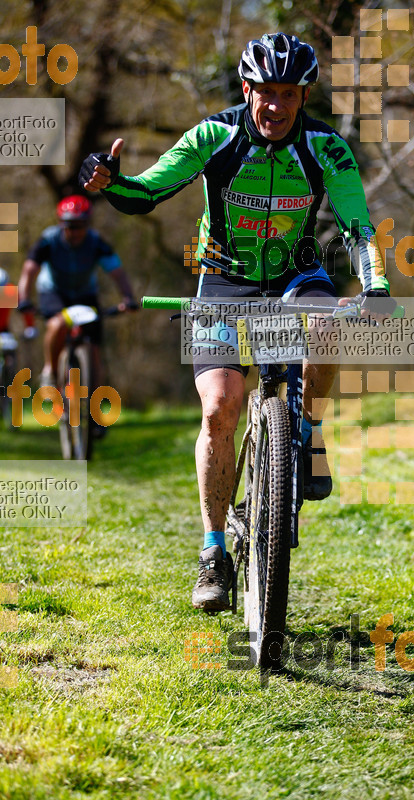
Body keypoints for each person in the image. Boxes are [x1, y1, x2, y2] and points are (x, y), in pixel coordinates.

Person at [79, 32, 391, 613]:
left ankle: (307, 431)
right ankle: (213, 549)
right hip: (223, 280)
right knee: (220, 407)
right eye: (264, 92)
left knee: (327, 326)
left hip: (297, 277)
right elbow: (147, 192)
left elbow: (357, 226)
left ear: (304, 97)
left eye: (288, 94)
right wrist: (109, 182)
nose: (274, 106)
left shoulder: (327, 148)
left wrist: (376, 287)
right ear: (246, 88)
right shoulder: (214, 136)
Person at [17, 195, 136, 389]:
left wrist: (128, 297)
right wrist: (24, 299)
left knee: (94, 348)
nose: (75, 232)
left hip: (85, 293)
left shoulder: (96, 242)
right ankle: (50, 370)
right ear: (61, 224)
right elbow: (29, 269)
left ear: (88, 224)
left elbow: (118, 273)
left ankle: (93, 405)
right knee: (57, 324)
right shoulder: (49, 240)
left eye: (80, 225)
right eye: (70, 226)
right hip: (54, 291)